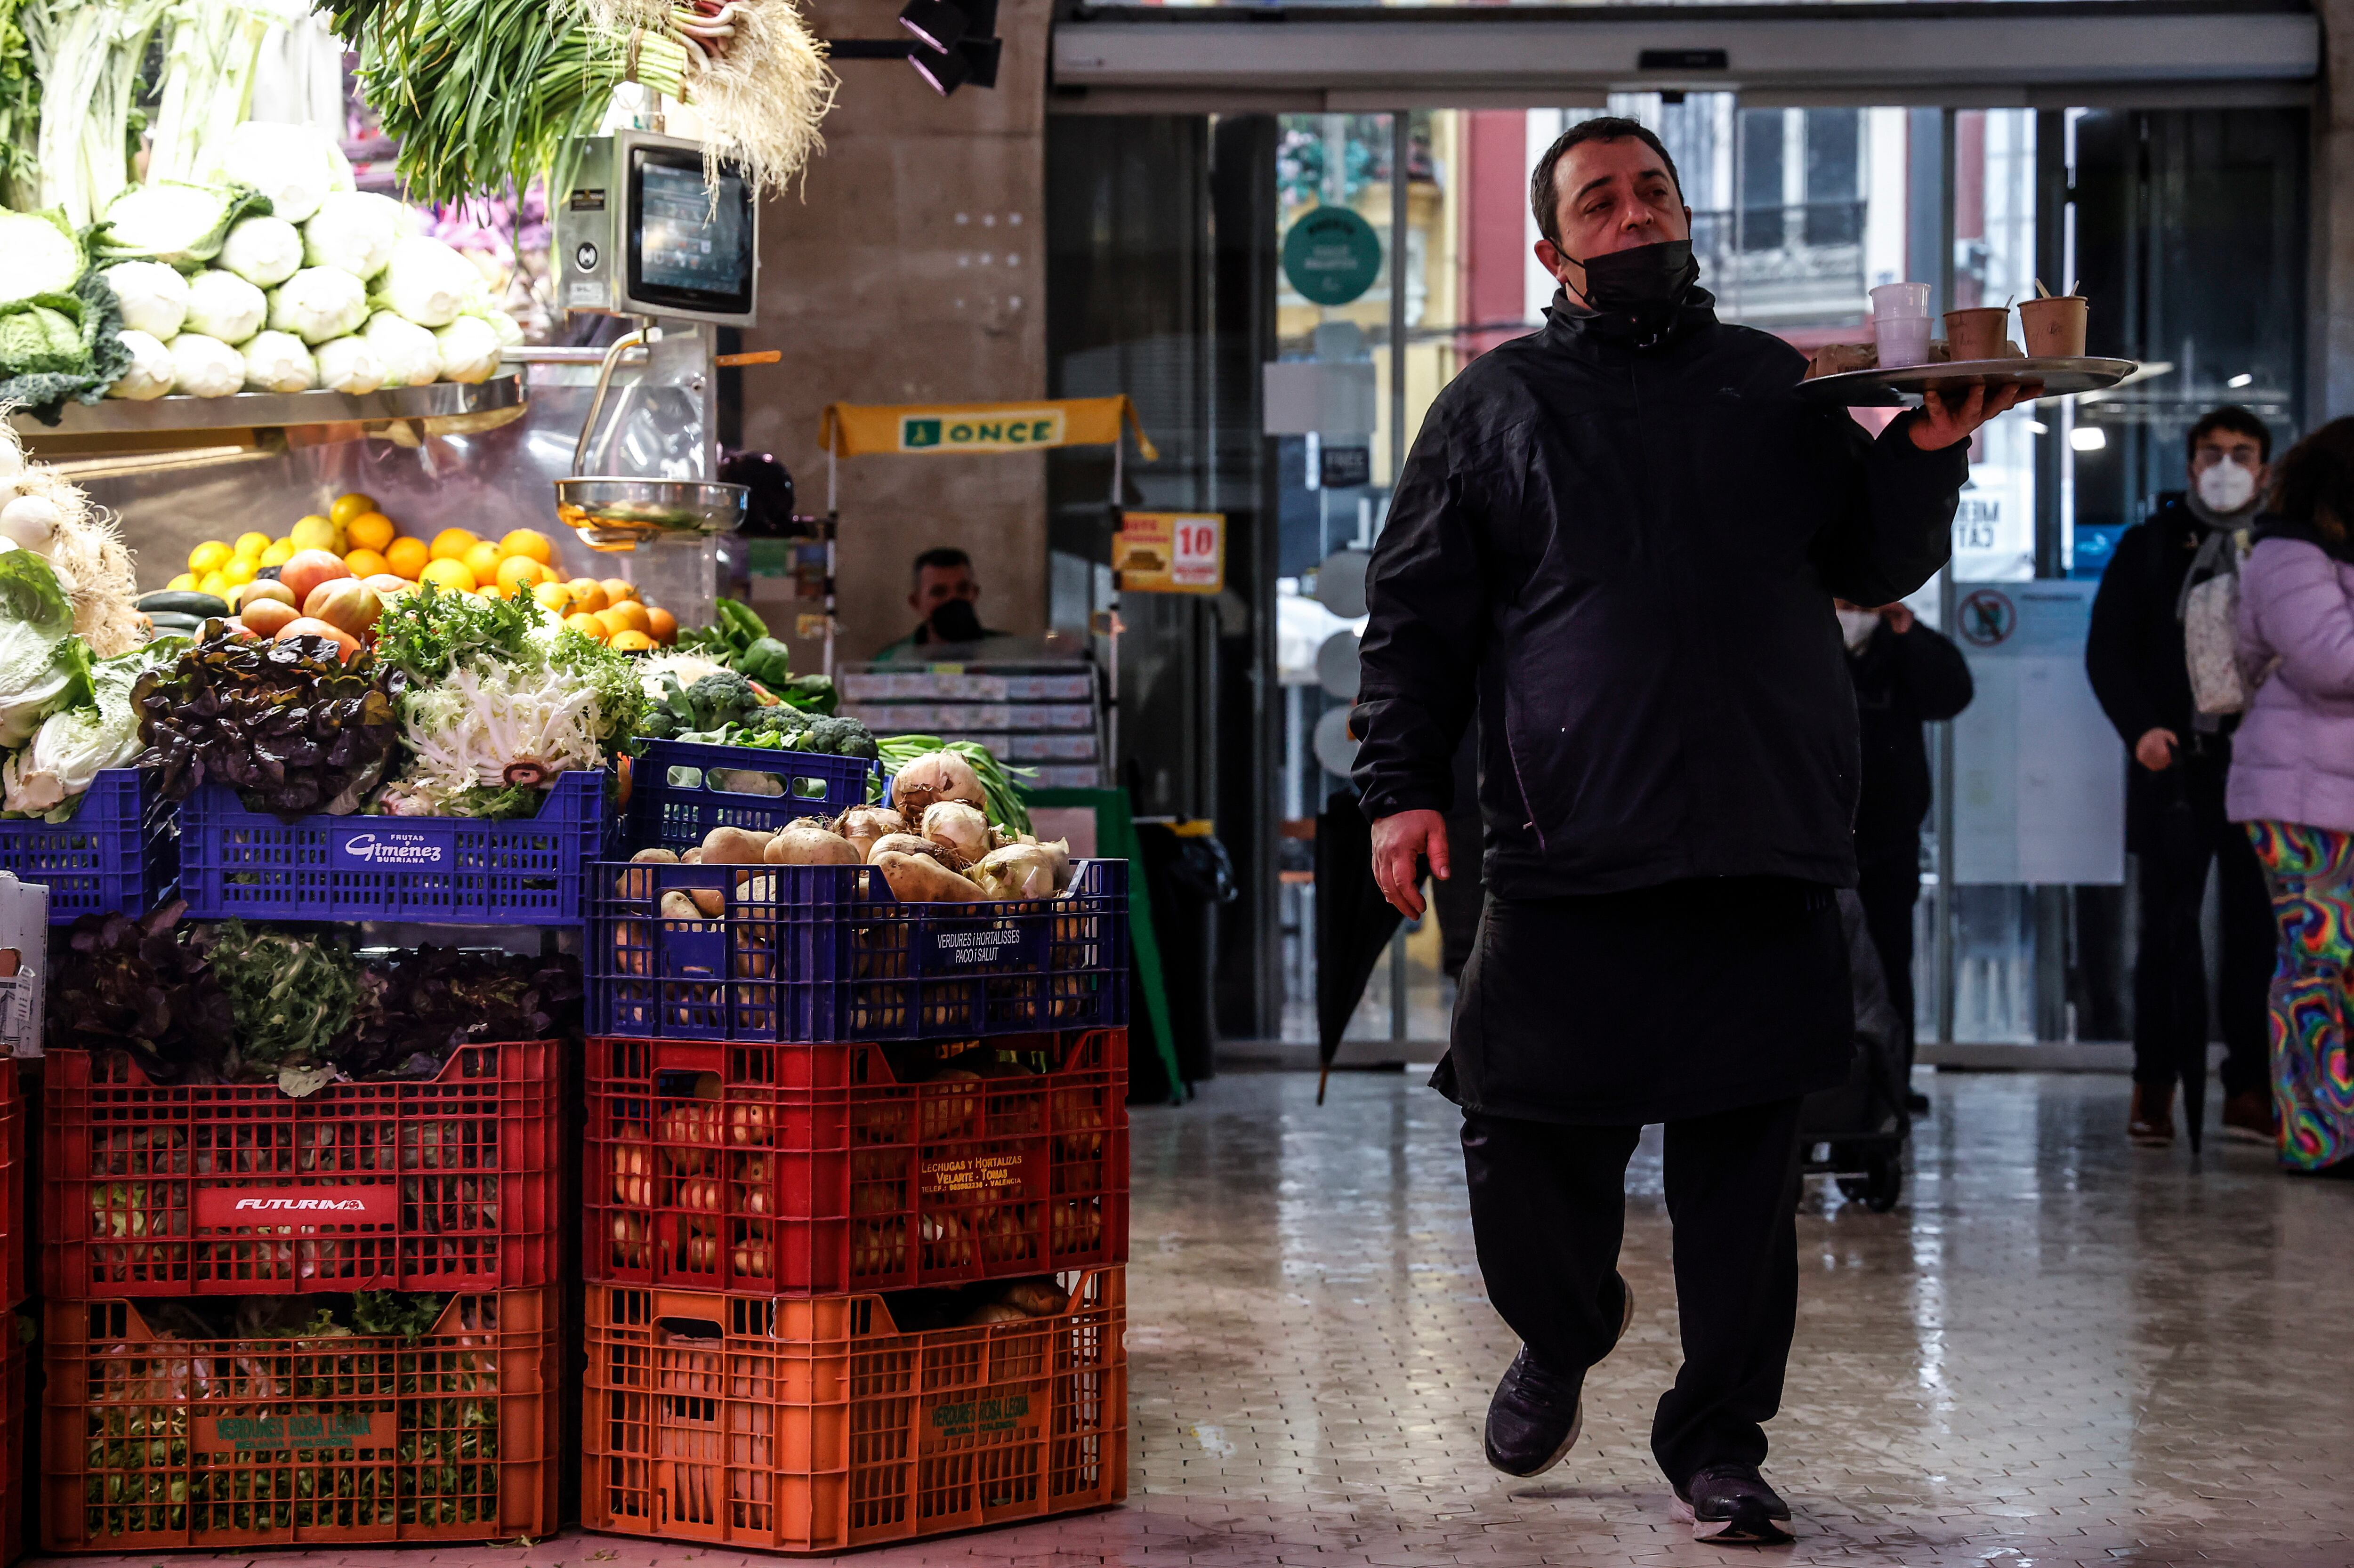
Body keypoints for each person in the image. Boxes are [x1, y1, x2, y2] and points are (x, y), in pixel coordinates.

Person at [1352, 116, 2027, 1546]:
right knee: (1520, 1139)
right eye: (1598, 200)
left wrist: (1924, 449)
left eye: (1650, 190)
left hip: (1761, 847)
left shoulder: (1773, 384)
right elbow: (1414, 615)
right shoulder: (1494, 407)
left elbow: (1869, 558)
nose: (1633, 213)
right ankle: (1562, 1326)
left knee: (1741, 1186)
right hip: (1564, 848)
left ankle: (1717, 1443)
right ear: (1552, 250)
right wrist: (1397, 788)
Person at [2085, 406, 2278, 1148]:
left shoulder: (2286, 548)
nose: (2225, 465)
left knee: (2256, 933)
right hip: (2171, 770)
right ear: (2191, 461)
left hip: (2259, 766)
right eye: (2211, 452)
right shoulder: (2151, 544)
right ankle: (2155, 1085)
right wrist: (2141, 731)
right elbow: (2108, 652)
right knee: (2166, 933)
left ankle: (2250, 1084)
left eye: (2241, 452)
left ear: (2263, 467)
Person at [2225, 416, 2354, 1174]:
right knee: (2318, 964)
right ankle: (2319, 1136)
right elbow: (2334, 661)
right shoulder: (2286, 555)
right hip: (2302, 801)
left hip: (2332, 794)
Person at [1839, 596, 1974, 1113]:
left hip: (1887, 842)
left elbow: (1951, 693)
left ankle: (1890, 1078)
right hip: (1820, 839)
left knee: (1891, 964)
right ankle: (1821, 1085)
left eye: (1860, 604)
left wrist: (1906, 632)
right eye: (1844, 603)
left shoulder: (1897, 650)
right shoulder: (1806, 645)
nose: (1852, 614)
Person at [873, 546, 1004, 660]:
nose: (953, 599)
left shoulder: (1009, 657)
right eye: (939, 592)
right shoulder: (891, 664)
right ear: (916, 602)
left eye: (963, 589)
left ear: (975, 593)